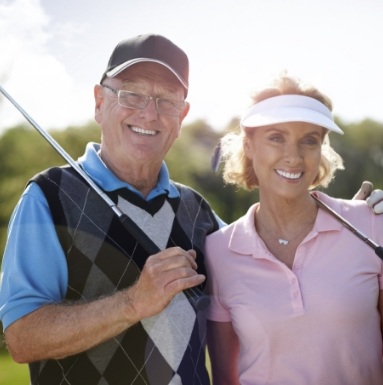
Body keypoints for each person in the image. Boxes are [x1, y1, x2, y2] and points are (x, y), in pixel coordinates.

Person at [0, 33, 221, 385]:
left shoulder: (198, 211)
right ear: (100, 102)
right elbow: (22, 338)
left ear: (182, 116)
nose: (149, 113)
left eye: (166, 99)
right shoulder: (48, 197)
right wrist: (134, 302)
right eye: (131, 93)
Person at [205, 75, 383, 385]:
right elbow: (224, 377)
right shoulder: (219, 251)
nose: (294, 156)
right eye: (276, 137)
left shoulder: (370, 225)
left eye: (309, 140)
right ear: (248, 144)